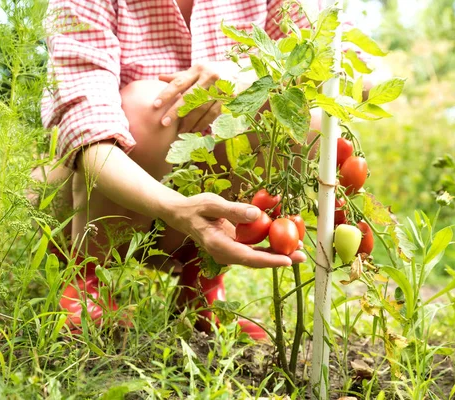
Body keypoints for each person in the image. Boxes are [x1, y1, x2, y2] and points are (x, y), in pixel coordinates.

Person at [39, 0, 324, 340]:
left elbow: (351, 69)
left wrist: (250, 78)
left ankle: (202, 280)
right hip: (96, 194)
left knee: (306, 117)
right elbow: (88, 136)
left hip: (202, 202)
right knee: (150, 105)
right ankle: (89, 279)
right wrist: (175, 208)